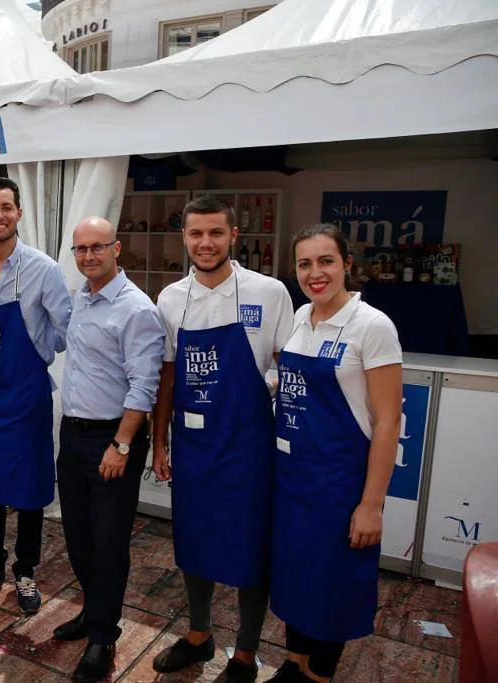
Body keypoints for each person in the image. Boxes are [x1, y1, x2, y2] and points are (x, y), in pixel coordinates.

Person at [150, 195, 294, 682]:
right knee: (194, 540)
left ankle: (247, 654)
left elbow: (287, 364)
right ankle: (198, 635)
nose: (205, 243)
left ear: (234, 236)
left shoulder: (269, 292)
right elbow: (167, 377)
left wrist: (266, 391)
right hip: (193, 445)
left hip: (249, 444)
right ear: (184, 238)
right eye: (196, 234)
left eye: (215, 233)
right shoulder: (170, 298)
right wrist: (159, 442)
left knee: (251, 546)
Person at [267, 225, 402, 683]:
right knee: (295, 577)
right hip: (292, 479)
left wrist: (370, 505)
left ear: (347, 263)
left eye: (326, 261)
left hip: (340, 485)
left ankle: (318, 675)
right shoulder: (301, 318)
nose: (315, 273)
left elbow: (387, 423)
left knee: (330, 585)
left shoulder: (372, 326)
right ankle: (294, 664)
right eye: (304, 264)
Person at [53, 217, 164, 683]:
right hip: (73, 433)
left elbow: (145, 384)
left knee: (109, 542)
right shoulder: (80, 299)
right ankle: (93, 611)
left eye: (97, 247)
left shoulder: (137, 309)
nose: (88, 256)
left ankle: (102, 638)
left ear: (117, 249)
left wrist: (121, 444)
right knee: (77, 535)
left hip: (112, 439)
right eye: (80, 250)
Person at [0, 177, 71, 613]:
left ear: (19, 214)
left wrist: (39, 354)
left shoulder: (43, 268)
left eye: (6, 207)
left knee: (28, 489)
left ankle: (25, 572)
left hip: (27, 395)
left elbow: (66, 331)